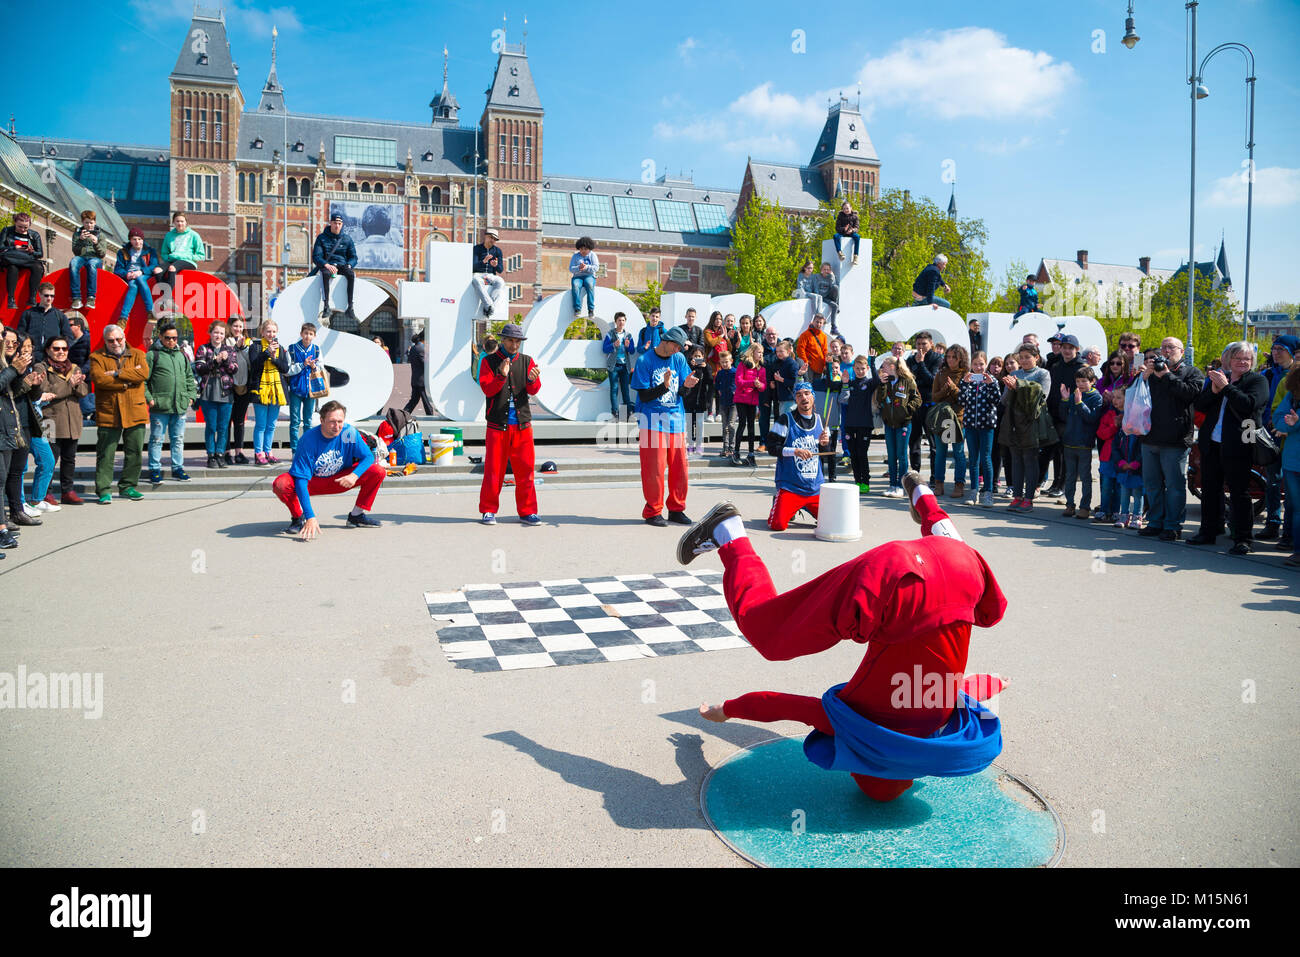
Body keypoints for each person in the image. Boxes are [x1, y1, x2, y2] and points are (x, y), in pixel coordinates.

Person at [681, 476, 1006, 804]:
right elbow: (781, 704)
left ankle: (924, 496)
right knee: (769, 637)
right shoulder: (859, 732)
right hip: (894, 583)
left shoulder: (939, 721)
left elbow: (967, 689)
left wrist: (995, 684)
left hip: (962, 568)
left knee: (961, 561)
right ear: (866, 764)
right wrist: (728, 710)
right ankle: (729, 533)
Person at [1189, 342, 1269, 554]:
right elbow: (1200, 405)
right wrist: (1215, 390)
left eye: (1247, 359)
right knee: (1210, 489)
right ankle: (1209, 531)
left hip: (1239, 444)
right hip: (1212, 442)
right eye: (1238, 358)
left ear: (1252, 362)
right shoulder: (1219, 377)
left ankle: (1243, 538)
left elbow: (1248, 405)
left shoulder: (1257, 380)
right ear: (1229, 360)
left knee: (1239, 493)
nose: (1242, 362)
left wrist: (1226, 387)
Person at [272, 399, 386, 538]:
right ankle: (298, 518)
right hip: (312, 482)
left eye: (340, 421)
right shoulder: (308, 439)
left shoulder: (348, 433)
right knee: (281, 484)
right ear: (322, 420)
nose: (336, 426)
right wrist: (310, 516)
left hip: (341, 479)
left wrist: (354, 475)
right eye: (332, 421)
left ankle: (356, 515)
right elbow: (301, 480)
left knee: (378, 471)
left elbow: (368, 457)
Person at [631, 324, 698, 526]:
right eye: (677, 346)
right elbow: (643, 395)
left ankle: (677, 509)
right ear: (666, 342)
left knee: (680, 468)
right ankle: (653, 511)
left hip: (676, 420)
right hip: (651, 421)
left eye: (681, 347)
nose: (679, 350)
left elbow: (682, 393)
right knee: (654, 469)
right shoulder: (645, 360)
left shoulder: (678, 359)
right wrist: (664, 386)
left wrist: (687, 387)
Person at [1137, 336, 1203, 541]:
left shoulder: (1192, 372)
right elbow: (1134, 396)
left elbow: (1190, 394)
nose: (1166, 351)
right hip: (1149, 437)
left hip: (1175, 439)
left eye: (1171, 347)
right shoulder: (1151, 372)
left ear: (1182, 352)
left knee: (1174, 486)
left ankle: (1173, 525)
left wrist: (1166, 375)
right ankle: (1155, 522)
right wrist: (1144, 377)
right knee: (1152, 484)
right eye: (1163, 347)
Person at [477, 323, 542, 526]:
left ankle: (528, 511)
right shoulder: (489, 361)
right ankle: (488, 510)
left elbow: (534, 390)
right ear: (502, 341)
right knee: (493, 471)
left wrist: (533, 380)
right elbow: (488, 389)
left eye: (518, 342)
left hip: (522, 425)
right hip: (497, 425)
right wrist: (501, 375)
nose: (515, 345)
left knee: (526, 471)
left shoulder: (527, 361)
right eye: (511, 341)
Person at [90, 324, 150, 503]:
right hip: (109, 412)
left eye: (118, 339)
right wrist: (126, 383)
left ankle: (128, 486)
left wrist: (117, 373)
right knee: (106, 453)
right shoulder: (96, 357)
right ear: (105, 341)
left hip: (135, 410)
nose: (115, 343)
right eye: (111, 340)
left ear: (124, 337)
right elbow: (100, 380)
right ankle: (103, 489)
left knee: (135, 451)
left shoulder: (138, 354)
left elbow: (144, 373)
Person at [764, 381, 829, 530]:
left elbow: (826, 454)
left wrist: (825, 444)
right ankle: (783, 502)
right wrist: (795, 451)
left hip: (814, 488)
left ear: (813, 397)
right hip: (791, 486)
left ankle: (803, 506)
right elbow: (771, 447)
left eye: (807, 394)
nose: (803, 398)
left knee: (831, 523)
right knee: (777, 525)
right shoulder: (785, 419)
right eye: (799, 395)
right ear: (795, 399)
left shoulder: (821, 421)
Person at [998, 342, 1054, 513]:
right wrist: (1010, 389)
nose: (1023, 360)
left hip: (1031, 422)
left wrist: (1019, 387)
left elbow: (1041, 397)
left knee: (1030, 460)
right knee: (1016, 460)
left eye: (1027, 357)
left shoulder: (1043, 374)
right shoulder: (1014, 373)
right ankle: (1017, 496)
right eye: (1021, 358)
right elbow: (1004, 400)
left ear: (1036, 357)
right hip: (1014, 422)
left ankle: (1028, 499)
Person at [33, 336, 87, 506]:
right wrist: (70, 386)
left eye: (64, 349)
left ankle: (67, 491)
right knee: (49, 459)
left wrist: (77, 385)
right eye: (56, 349)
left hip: (72, 420)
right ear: (48, 350)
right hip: (50, 420)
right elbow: (46, 392)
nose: (61, 352)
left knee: (69, 458)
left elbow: (84, 391)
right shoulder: (41, 367)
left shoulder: (74, 367)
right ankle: (45, 493)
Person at [144, 321, 197, 484]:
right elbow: (143, 380)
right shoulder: (153, 355)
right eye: (168, 338)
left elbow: (189, 377)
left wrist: (191, 396)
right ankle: (154, 469)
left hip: (179, 405)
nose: (172, 341)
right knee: (156, 439)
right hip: (160, 406)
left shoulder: (181, 355)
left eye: (174, 338)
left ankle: (178, 468)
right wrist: (150, 398)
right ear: (160, 337)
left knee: (178, 439)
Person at [1259, 335, 1298, 547]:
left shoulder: (1292, 376)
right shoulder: (1267, 374)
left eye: (1280, 349)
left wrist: (1285, 426)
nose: (1275, 352)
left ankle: (1289, 532)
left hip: (1290, 437)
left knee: (1291, 489)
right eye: (1274, 349)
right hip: (1270, 433)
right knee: (1272, 482)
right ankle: (1273, 523)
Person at [3, 334, 44, 524]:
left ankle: (17, 511)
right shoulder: (8, 366)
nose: (11, 344)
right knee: (6, 472)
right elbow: (10, 393)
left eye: (15, 342)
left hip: (24, 423)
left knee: (17, 470)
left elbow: (32, 397)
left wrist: (36, 385)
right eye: (7, 340)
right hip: (7, 425)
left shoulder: (20, 365)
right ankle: (6, 516)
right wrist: (24, 381)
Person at [1041, 334, 1086, 499]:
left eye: (1070, 348)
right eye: (1064, 347)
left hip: (1072, 416)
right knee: (1058, 451)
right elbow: (1052, 392)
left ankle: (1064, 486)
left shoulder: (1082, 368)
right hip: (1055, 414)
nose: (1066, 351)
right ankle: (1056, 483)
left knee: (1067, 453)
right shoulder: (1056, 366)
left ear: (1077, 349)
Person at [1059, 365, 1103, 519]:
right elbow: (1063, 416)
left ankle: (1085, 506)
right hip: (1069, 442)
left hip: (1084, 443)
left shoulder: (1096, 397)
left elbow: (1092, 418)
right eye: (1078, 381)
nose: (1081, 384)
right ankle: (1070, 504)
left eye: (1084, 381)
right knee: (1070, 476)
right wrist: (1065, 399)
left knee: (1085, 476)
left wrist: (1080, 403)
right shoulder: (1074, 395)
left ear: (1092, 381)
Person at [958, 352, 1001, 507]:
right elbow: (962, 401)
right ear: (971, 365)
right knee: (973, 459)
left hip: (987, 425)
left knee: (986, 458)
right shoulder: (968, 380)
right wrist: (964, 384)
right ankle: (974, 491)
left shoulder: (992, 380)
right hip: (970, 425)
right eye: (975, 364)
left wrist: (990, 384)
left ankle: (988, 493)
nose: (978, 367)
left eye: (981, 364)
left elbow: (996, 400)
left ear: (986, 364)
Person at [193, 321, 238, 469]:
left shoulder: (230, 350)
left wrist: (225, 361)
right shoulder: (203, 349)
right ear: (210, 333)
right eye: (216, 332)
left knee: (223, 426)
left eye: (221, 333)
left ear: (224, 336)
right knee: (211, 426)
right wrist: (215, 360)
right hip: (208, 391)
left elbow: (234, 369)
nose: (218, 335)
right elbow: (200, 368)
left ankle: (220, 454)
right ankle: (210, 455)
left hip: (226, 392)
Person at [0, 333, 30, 550]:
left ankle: (2, 528)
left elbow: (13, 393)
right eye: (2, 335)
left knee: (3, 480)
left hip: (9, 429)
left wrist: (28, 381)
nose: (5, 340)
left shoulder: (5, 361)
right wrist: (12, 370)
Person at [877, 354, 920, 496]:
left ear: (892, 366)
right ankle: (892, 485)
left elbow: (917, 399)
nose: (882, 368)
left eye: (884, 366)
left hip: (903, 423)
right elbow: (880, 399)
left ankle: (902, 486)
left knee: (902, 455)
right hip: (889, 424)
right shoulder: (885, 382)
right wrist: (882, 384)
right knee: (891, 455)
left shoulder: (907, 380)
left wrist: (907, 410)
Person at [930, 343, 969, 499]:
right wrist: (945, 390)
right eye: (949, 356)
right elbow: (934, 397)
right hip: (942, 419)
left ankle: (959, 484)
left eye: (954, 357)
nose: (951, 359)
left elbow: (964, 399)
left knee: (958, 453)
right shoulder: (940, 374)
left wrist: (953, 388)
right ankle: (938, 483)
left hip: (957, 419)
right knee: (940, 453)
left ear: (961, 358)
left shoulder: (966, 374)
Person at [248, 320, 289, 466]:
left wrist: (274, 357)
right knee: (261, 424)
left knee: (271, 425)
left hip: (276, 391)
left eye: (273, 332)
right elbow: (254, 365)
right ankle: (258, 453)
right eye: (268, 331)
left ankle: (268, 451)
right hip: (261, 390)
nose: (271, 334)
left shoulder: (281, 348)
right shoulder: (256, 346)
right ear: (262, 332)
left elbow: (285, 368)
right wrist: (266, 353)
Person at [1272, 364, 1300, 566]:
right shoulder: (1292, 396)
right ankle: (1298, 551)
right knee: (1298, 509)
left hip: (1293, 459)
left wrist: (1297, 422)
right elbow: (1278, 420)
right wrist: (1288, 423)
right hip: (1293, 461)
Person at [906, 331, 942, 481]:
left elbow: (932, 380)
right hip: (915, 405)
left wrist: (921, 363)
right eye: (919, 344)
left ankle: (935, 476)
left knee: (934, 444)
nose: (921, 347)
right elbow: (909, 381)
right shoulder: (910, 359)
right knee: (914, 442)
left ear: (931, 344)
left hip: (931, 405)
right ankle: (915, 475)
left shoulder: (937, 358)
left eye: (924, 344)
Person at [840, 353, 878, 495]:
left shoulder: (869, 383)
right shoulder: (849, 383)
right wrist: (844, 383)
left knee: (862, 454)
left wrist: (872, 362)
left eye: (862, 368)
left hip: (865, 424)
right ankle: (857, 481)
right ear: (854, 368)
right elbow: (842, 399)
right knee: (854, 455)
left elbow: (878, 380)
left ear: (866, 368)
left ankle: (865, 482)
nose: (860, 371)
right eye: (857, 368)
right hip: (850, 424)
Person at [312, 211, 359, 320]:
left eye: (339, 223)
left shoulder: (347, 239)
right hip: (328, 265)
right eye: (335, 223)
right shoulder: (321, 238)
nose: (337, 225)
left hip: (342, 265)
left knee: (351, 275)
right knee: (325, 274)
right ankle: (326, 306)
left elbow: (354, 257)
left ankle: (350, 307)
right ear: (330, 223)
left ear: (342, 225)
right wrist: (326, 265)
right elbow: (316, 256)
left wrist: (349, 265)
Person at [113, 228, 163, 325]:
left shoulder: (150, 251)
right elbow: (118, 269)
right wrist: (126, 274)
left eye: (139, 239)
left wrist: (141, 271)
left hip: (144, 275)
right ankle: (124, 318)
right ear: (130, 240)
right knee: (133, 286)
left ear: (143, 240)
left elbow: (154, 265)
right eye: (134, 239)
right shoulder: (123, 252)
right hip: (130, 276)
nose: (137, 242)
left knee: (139, 279)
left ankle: (149, 311)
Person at [286, 322, 322, 453]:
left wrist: (314, 366)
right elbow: (288, 370)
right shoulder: (292, 349)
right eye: (306, 333)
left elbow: (321, 367)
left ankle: (307, 449)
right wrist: (302, 364)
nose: (308, 336)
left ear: (314, 336)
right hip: (296, 389)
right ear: (301, 334)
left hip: (310, 391)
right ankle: (295, 450)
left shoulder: (317, 349)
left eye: (311, 334)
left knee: (308, 421)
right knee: (295, 422)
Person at [16, 282, 72, 364]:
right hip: (32, 356)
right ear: (40, 295)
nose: (49, 298)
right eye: (46, 295)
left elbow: (68, 337)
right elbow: (21, 335)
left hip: (53, 357)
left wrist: (61, 351)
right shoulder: (29, 313)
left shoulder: (60, 315)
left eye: (52, 296)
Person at [158, 212, 205, 308]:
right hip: (172, 260)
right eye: (177, 221)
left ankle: (166, 299)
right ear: (173, 222)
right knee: (157, 270)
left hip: (188, 261)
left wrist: (188, 257)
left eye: (182, 221)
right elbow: (164, 253)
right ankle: (169, 299)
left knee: (172, 268)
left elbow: (201, 255)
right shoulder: (169, 235)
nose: (180, 223)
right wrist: (168, 258)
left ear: (186, 222)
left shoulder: (194, 235)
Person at [0, 211, 46, 308]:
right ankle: (11, 299)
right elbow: (1, 247)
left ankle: (32, 298)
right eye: (20, 227)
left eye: (25, 227)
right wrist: (14, 248)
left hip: (27, 259)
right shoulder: (7, 231)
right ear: (15, 223)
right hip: (12, 259)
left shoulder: (34, 235)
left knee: (38, 267)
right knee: (12, 268)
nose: (22, 229)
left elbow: (40, 254)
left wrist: (31, 251)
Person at [224, 317, 253, 465]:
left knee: (240, 421)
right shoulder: (225, 341)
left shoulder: (248, 342)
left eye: (240, 326)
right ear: (230, 326)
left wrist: (242, 347)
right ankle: (226, 452)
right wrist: (235, 346)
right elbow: (226, 360)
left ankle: (239, 452)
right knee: (227, 420)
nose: (238, 329)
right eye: (235, 326)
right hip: (228, 387)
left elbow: (251, 362)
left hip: (244, 386)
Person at [731, 343, 766, 466]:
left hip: (753, 400)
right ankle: (736, 452)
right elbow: (739, 381)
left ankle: (751, 454)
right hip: (741, 398)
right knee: (742, 424)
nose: (761, 354)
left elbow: (763, 386)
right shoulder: (743, 364)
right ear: (752, 352)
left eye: (762, 352)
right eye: (759, 352)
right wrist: (753, 383)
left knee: (752, 426)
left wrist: (759, 385)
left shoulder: (761, 368)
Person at [1093, 388, 1123, 524]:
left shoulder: (1130, 415)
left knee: (1118, 486)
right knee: (1106, 486)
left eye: (1119, 397)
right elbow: (1101, 433)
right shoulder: (1108, 414)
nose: (1115, 400)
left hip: (1122, 457)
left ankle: (1116, 511)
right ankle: (1104, 510)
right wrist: (1114, 427)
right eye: (1114, 397)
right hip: (1107, 456)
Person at [68, 210, 106, 310]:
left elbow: (102, 254)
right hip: (81, 257)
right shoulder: (77, 234)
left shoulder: (100, 235)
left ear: (95, 222)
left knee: (92, 264)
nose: (89, 225)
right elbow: (75, 251)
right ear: (82, 222)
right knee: (74, 262)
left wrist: (96, 243)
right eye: (86, 223)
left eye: (91, 223)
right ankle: (76, 298)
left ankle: (91, 297)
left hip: (95, 258)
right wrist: (80, 240)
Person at [681, 344, 713, 454]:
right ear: (691, 356)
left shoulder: (706, 367)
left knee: (699, 424)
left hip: (700, 400)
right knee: (689, 423)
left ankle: (699, 444)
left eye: (699, 356)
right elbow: (685, 378)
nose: (697, 358)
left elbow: (710, 381)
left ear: (703, 357)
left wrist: (705, 368)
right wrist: (692, 366)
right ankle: (690, 444)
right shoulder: (688, 366)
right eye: (695, 356)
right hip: (689, 400)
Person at [602, 311, 635, 418]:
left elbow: (632, 351)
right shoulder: (610, 334)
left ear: (625, 322)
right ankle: (615, 412)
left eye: (623, 320)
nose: (621, 322)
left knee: (625, 389)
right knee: (614, 389)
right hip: (613, 366)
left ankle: (629, 411)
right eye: (619, 320)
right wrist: (613, 345)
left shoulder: (628, 335)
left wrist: (628, 346)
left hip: (625, 366)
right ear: (616, 322)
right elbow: (604, 349)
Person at [471, 227, 505, 319]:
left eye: (495, 239)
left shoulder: (498, 251)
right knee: (475, 280)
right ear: (486, 237)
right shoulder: (477, 249)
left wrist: (495, 265)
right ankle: (490, 306)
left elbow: (500, 270)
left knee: (500, 282)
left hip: (490, 276)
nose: (493, 240)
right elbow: (472, 267)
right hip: (479, 274)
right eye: (491, 238)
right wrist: (483, 261)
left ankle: (489, 307)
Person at [404, 331, 434, 416]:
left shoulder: (414, 347)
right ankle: (430, 416)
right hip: (421, 380)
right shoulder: (421, 348)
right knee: (426, 401)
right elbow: (425, 364)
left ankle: (403, 415)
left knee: (414, 401)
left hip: (416, 379)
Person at [569, 237, 599, 319]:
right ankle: (577, 309)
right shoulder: (575, 256)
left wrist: (586, 267)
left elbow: (596, 268)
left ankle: (591, 309)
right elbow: (571, 268)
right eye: (581, 249)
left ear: (589, 249)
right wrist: (579, 267)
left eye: (585, 249)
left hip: (589, 276)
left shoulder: (593, 255)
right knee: (575, 285)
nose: (583, 251)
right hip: (577, 276)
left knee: (589, 284)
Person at [715, 350, 737, 458]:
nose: (724, 364)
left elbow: (740, 383)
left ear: (731, 361)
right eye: (722, 362)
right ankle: (725, 448)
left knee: (731, 425)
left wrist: (736, 391)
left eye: (726, 362)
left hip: (734, 404)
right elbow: (716, 383)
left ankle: (732, 448)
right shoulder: (720, 373)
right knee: (724, 426)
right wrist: (719, 389)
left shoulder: (735, 372)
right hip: (723, 403)